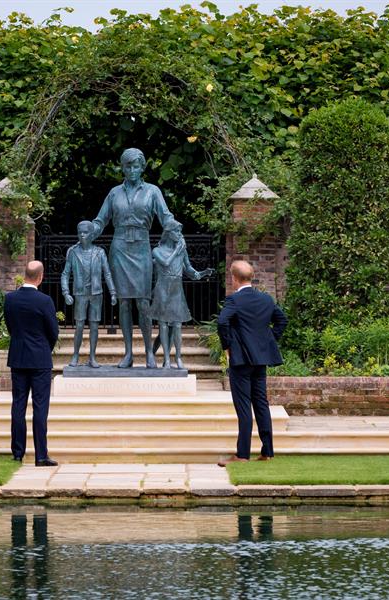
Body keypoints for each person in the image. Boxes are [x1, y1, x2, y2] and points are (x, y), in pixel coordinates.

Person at [90, 147, 175, 368]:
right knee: (124, 303)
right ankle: (128, 353)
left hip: (142, 247)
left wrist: (175, 228)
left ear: (142, 167)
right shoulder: (114, 193)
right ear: (123, 168)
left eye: (136, 166)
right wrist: (91, 229)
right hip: (119, 249)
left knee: (143, 302)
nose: (132, 170)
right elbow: (101, 220)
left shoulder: (153, 192)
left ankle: (149, 352)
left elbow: (165, 217)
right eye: (128, 166)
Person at [216, 260, 287, 467]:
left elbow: (222, 322)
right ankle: (267, 451)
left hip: (241, 361)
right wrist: (267, 341)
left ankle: (242, 455)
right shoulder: (265, 299)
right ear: (251, 277)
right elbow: (282, 321)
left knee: (244, 407)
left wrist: (228, 347)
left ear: (234, 278)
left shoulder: (234, 300)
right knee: (261, 404)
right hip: (260, 360)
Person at [4, 261, 60, 467]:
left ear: (24, 274)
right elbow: (53, 331)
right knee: (40, 407)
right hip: (40, 359)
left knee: (18, 405)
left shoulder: (10, 299)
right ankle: (41, 456)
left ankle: (18, 453)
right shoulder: (44, 301)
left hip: (18, 357)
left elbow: (11, 327)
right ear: (40, 277)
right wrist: (45, 347)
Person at [150, 218, 214, 369]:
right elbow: (165, 263)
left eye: (180, 231)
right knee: (163, 325)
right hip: (162, 288)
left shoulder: (181, 250)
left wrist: (203, 273)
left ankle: (178, 357)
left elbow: (190, 270)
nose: (179, 234)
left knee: (177, 325)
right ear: (168, 233)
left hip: (176, 289)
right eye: (176, 231)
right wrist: (177, 251)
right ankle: (166, 359)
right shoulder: (157, 250)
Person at [61, 220, 117, 368]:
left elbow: (108, 273)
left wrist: (112, 292)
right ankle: (75, 355)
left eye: (85, 232)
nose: (82, 235)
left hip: (96, 293)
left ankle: (92, 357)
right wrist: (66, 293)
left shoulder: (99, 252)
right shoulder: (73, 252)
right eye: (80, 232)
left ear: (92, 235)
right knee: (79, 325)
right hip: (80, 293)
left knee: (94, 326)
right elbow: (65, 274)